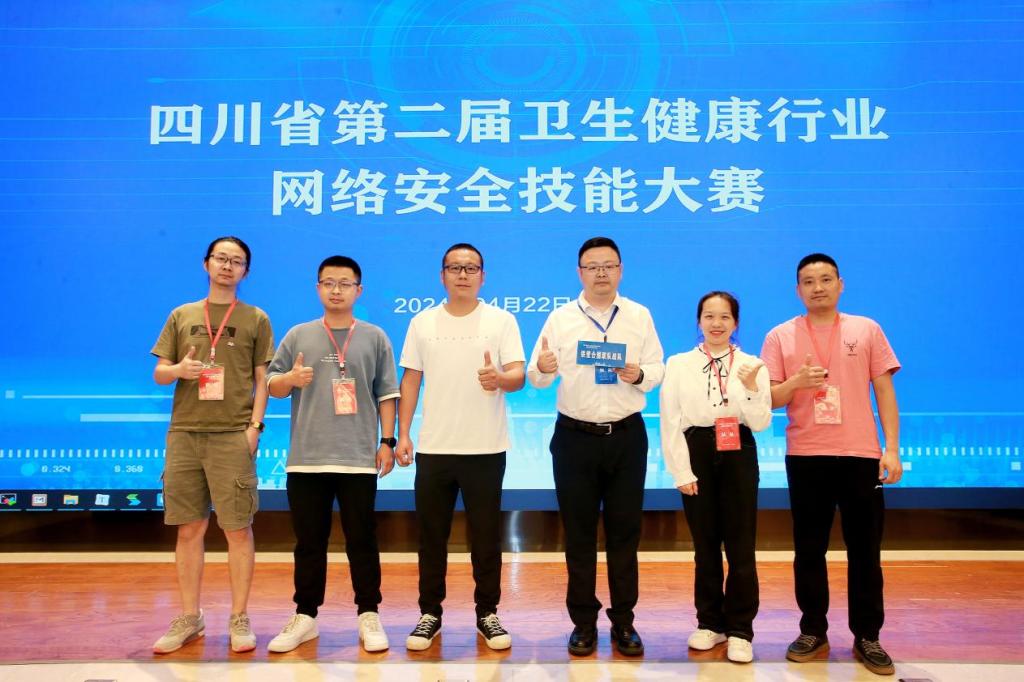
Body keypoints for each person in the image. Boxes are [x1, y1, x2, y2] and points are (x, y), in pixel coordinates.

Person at [761, 253, 902, 676]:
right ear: (797, 290)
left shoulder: (866, 329)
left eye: (825, 279)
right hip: (807, 456)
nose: (817, 287)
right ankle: (812, 630)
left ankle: (868, 635)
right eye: (808, 281)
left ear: (840, 284)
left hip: (861, 455)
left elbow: (884, 390)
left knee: (865, 550)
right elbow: (769, 399)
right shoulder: (779, 336)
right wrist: (796, 382)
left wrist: (891, 448)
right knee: (809, 549)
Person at [527, 236, 664, 657]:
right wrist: (543, 368)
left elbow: (658, 369)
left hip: (626, 437)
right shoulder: (560, 318)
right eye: (592, 266)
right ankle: (583, 623)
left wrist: (639, 374)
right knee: (580, 535)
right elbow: (537, 376)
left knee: (625, 534)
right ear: (580, 272)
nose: (601, 272)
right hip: (574, 439)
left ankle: (624, 621)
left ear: (620, 270)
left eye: (608, 265)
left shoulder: (639, 315)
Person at [264, 255, 399, 653]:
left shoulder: (374, 336)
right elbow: (272, 385)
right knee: (309, 543)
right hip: (307, 458)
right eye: (328, 283)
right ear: (318, 288)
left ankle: (368, 613)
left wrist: (387, 442)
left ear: (359, 289)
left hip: (357, 458)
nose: (336, 290)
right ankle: (305, 615)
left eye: (345, 283)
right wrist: (290, 379)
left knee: (363, 541)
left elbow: (387, 393)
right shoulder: (298, 334)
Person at [395, 243, 526, 651]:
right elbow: (411, 379)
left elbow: (519, 375)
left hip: (486, 448)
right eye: (455, 268)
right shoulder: (422, 322)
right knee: (431, 537)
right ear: (442, 276)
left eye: (471, 268)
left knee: (486, 538)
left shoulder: (501, 321)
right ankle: (429, 613)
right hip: (435, 447)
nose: (463, 275)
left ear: (483, 276)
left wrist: (499, 379)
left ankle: (488, 613)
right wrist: (403, 433)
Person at [150, 236, 274, 654]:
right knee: (189, 528)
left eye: (236, 261)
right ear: (206, 264)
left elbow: (263, 379)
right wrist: (179, 370)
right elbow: (160, 374)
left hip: (233, 434)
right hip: (185, 433)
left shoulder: (256, 318)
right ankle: (190, 617)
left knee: (238, 528)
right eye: (221, 258)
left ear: (245, 272)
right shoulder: (181, 315)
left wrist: (254, 427)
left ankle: (239, 617)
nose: (227, 266)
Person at [659, 291, 772, 664]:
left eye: (725, 317)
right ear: (699, 321)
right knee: (704, 545)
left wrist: (752, 388)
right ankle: (710, 622)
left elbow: (761, 422)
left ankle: (740, 630)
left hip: (739, 449)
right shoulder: (679, 364)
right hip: (697, 450)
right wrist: (681, 470)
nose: (717, 323)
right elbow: (671, 421)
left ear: (735, 322)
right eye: (709, 316)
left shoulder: (753, 364)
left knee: (741, 546)